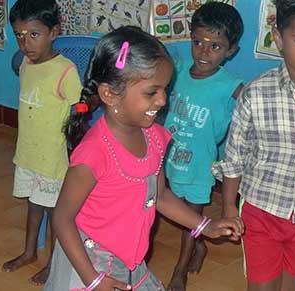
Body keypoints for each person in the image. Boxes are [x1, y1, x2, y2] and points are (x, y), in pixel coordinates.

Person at [44, 26, 243, 291]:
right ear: (110, 94)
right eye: (152, 92)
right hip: (90, 264)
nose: (162, 100)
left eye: (165, 89)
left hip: (130, 261)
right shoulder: (94, 152)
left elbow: (158, 195)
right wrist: (92, 279)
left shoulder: (155, 138)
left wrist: (205, 226)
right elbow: (62, 218)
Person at [212, 0, 295, 290]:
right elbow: (234, 158)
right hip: (262, 212)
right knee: (262, 287)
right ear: (278, 38)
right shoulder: (256, 94)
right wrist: (228, 208)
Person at [163, 3, 244, 290]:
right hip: (169, 160)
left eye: (215, 46)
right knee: (171, 206)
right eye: (198, 42)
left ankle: (180, 268)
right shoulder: (177, 70)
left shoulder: (231, 85)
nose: (203, 52)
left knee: (192, 218)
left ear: (231, 50)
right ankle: (200, 247)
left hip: (200, 165)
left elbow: (254, 104)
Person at [2, 0, 82, 286]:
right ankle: (28, 252)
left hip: (52, 157)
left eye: (33, 34)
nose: (25, 43)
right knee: (33, 205)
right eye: (19, 35)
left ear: (54, 32)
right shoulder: (25, 63)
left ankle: (53, 262)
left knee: (54, 212)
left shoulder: (65, 70)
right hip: (27, 152)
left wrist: (75, 135)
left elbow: (79, 107)